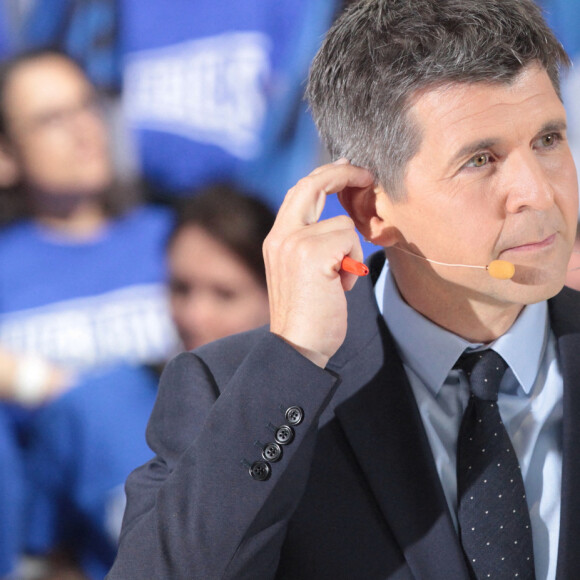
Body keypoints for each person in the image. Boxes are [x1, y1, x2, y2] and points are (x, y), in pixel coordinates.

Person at [108, 0, 580, 578]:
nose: (537, 191)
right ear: (370, 209)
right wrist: (297, 359)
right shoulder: (239, 393)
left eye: (550, 139)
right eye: (480, 160)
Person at [23, 185, 274, 580]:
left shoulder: (314, 410)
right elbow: (48, 557)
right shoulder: (90, 409)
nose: (194, 316)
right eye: (180, 289)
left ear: (276, 295)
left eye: (225, 294)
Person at [0, 48, 177, 408]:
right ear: (5, 155)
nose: (83, 129)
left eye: (86, 105)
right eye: (52, 119)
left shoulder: (177, 240)